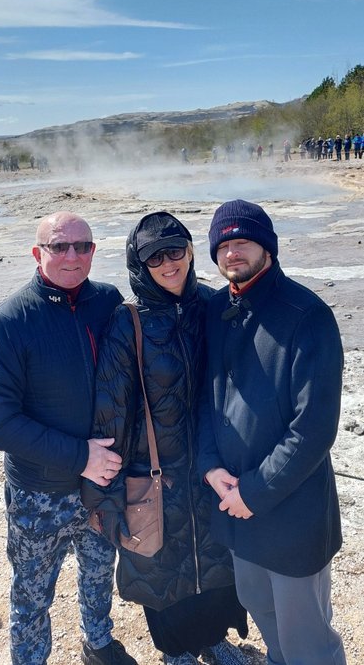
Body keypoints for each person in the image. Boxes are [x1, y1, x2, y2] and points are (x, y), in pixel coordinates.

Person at [82, 211, 249, 665]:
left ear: (192, 251)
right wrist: (104, 493)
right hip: (153, 472)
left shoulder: (214, 307)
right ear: (140, 263)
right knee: (161, 564)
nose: (168, 262)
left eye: (176, 249)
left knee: (216, 558)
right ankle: (175, 650)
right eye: (154, 256)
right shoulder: (128, 322)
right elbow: (111, 413)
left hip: (212, 466)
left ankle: (214, 638)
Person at [199, 199, 347, 665]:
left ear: (267, 246)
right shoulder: (218, 308)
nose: (231, 253)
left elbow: (314, 428)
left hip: (290, 509)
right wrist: (209, 466)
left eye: (242, 241)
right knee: (260, 610)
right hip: (236, 503)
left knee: (307, 640)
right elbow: (208, 398)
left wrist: (254, 491)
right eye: (222, 245)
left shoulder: (306, 315)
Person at [0, 211, 137, 665]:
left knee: (98, 572)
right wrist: (79, 457)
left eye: (83, 246)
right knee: (32, 592)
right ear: (38, 253)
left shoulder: (109, 302)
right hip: (40, 492)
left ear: (94, 251)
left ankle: (98, 642)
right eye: (59, 246)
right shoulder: (11, 320)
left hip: (102, 484)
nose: (72, 255)